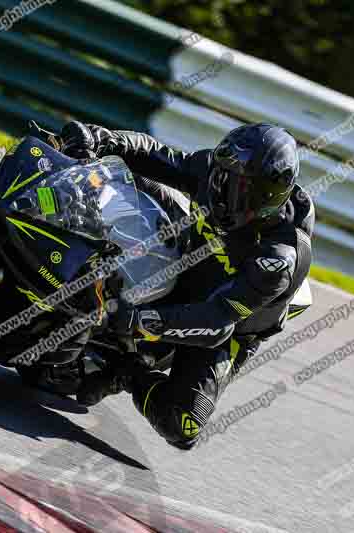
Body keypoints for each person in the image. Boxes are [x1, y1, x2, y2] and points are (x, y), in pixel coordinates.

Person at [59, 120, 315, 449]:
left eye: (238, 187)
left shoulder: (277, 257)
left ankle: (129, 371)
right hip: (187, 264)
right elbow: (159, 155)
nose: (221, 191)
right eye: (223, 178)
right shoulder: (216, 173)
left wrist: (136, 321)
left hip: (228, 325)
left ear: (267, 195)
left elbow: (218, 321)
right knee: (118, 175)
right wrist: (102, 137)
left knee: (183, 425)